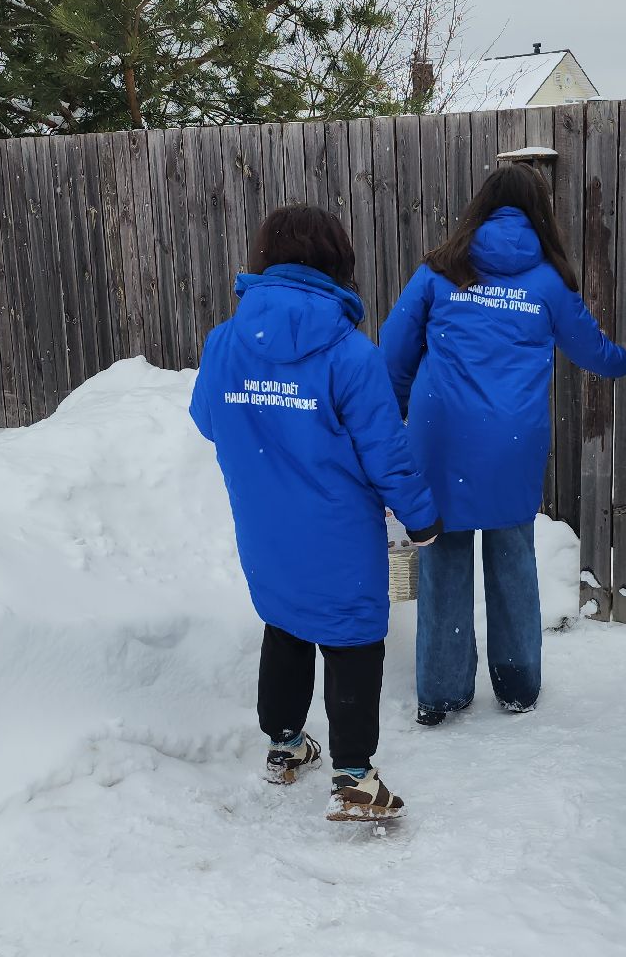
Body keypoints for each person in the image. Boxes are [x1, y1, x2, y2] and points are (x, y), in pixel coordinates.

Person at [190, 204, 442, 822]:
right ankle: (355, 779)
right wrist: (421, 518)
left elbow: (206, 418)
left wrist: (265, 438)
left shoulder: (225, 342)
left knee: (286, 620)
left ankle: (284, 745)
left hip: (264, 523)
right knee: (353, 635)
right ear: (336, 263)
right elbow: (387, 451)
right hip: (336, 528)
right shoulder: (350, 355)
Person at [380, 163, 626, 726]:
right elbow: (590, 349)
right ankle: (518, 684)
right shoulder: (548, 280)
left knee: (444, 562)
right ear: (539, 212)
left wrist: (397, 417)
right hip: (512, 441)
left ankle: (444, 692)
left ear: (480, 207)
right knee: (512, 562)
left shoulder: (439, 270)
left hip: (442, 438)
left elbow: (393, 355)